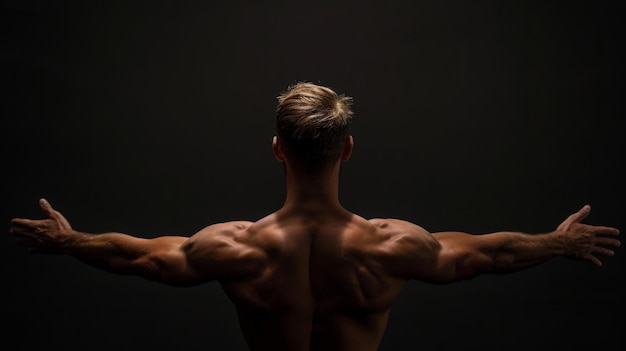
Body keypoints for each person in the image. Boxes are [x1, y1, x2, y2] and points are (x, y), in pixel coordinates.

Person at [10, 82, 621, 351]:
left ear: (278, 148)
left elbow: (139, 256)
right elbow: (489, 254)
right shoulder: (390, 246)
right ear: (348, 149)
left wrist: (70, 242)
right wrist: (558, 243)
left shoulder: (234, 248)